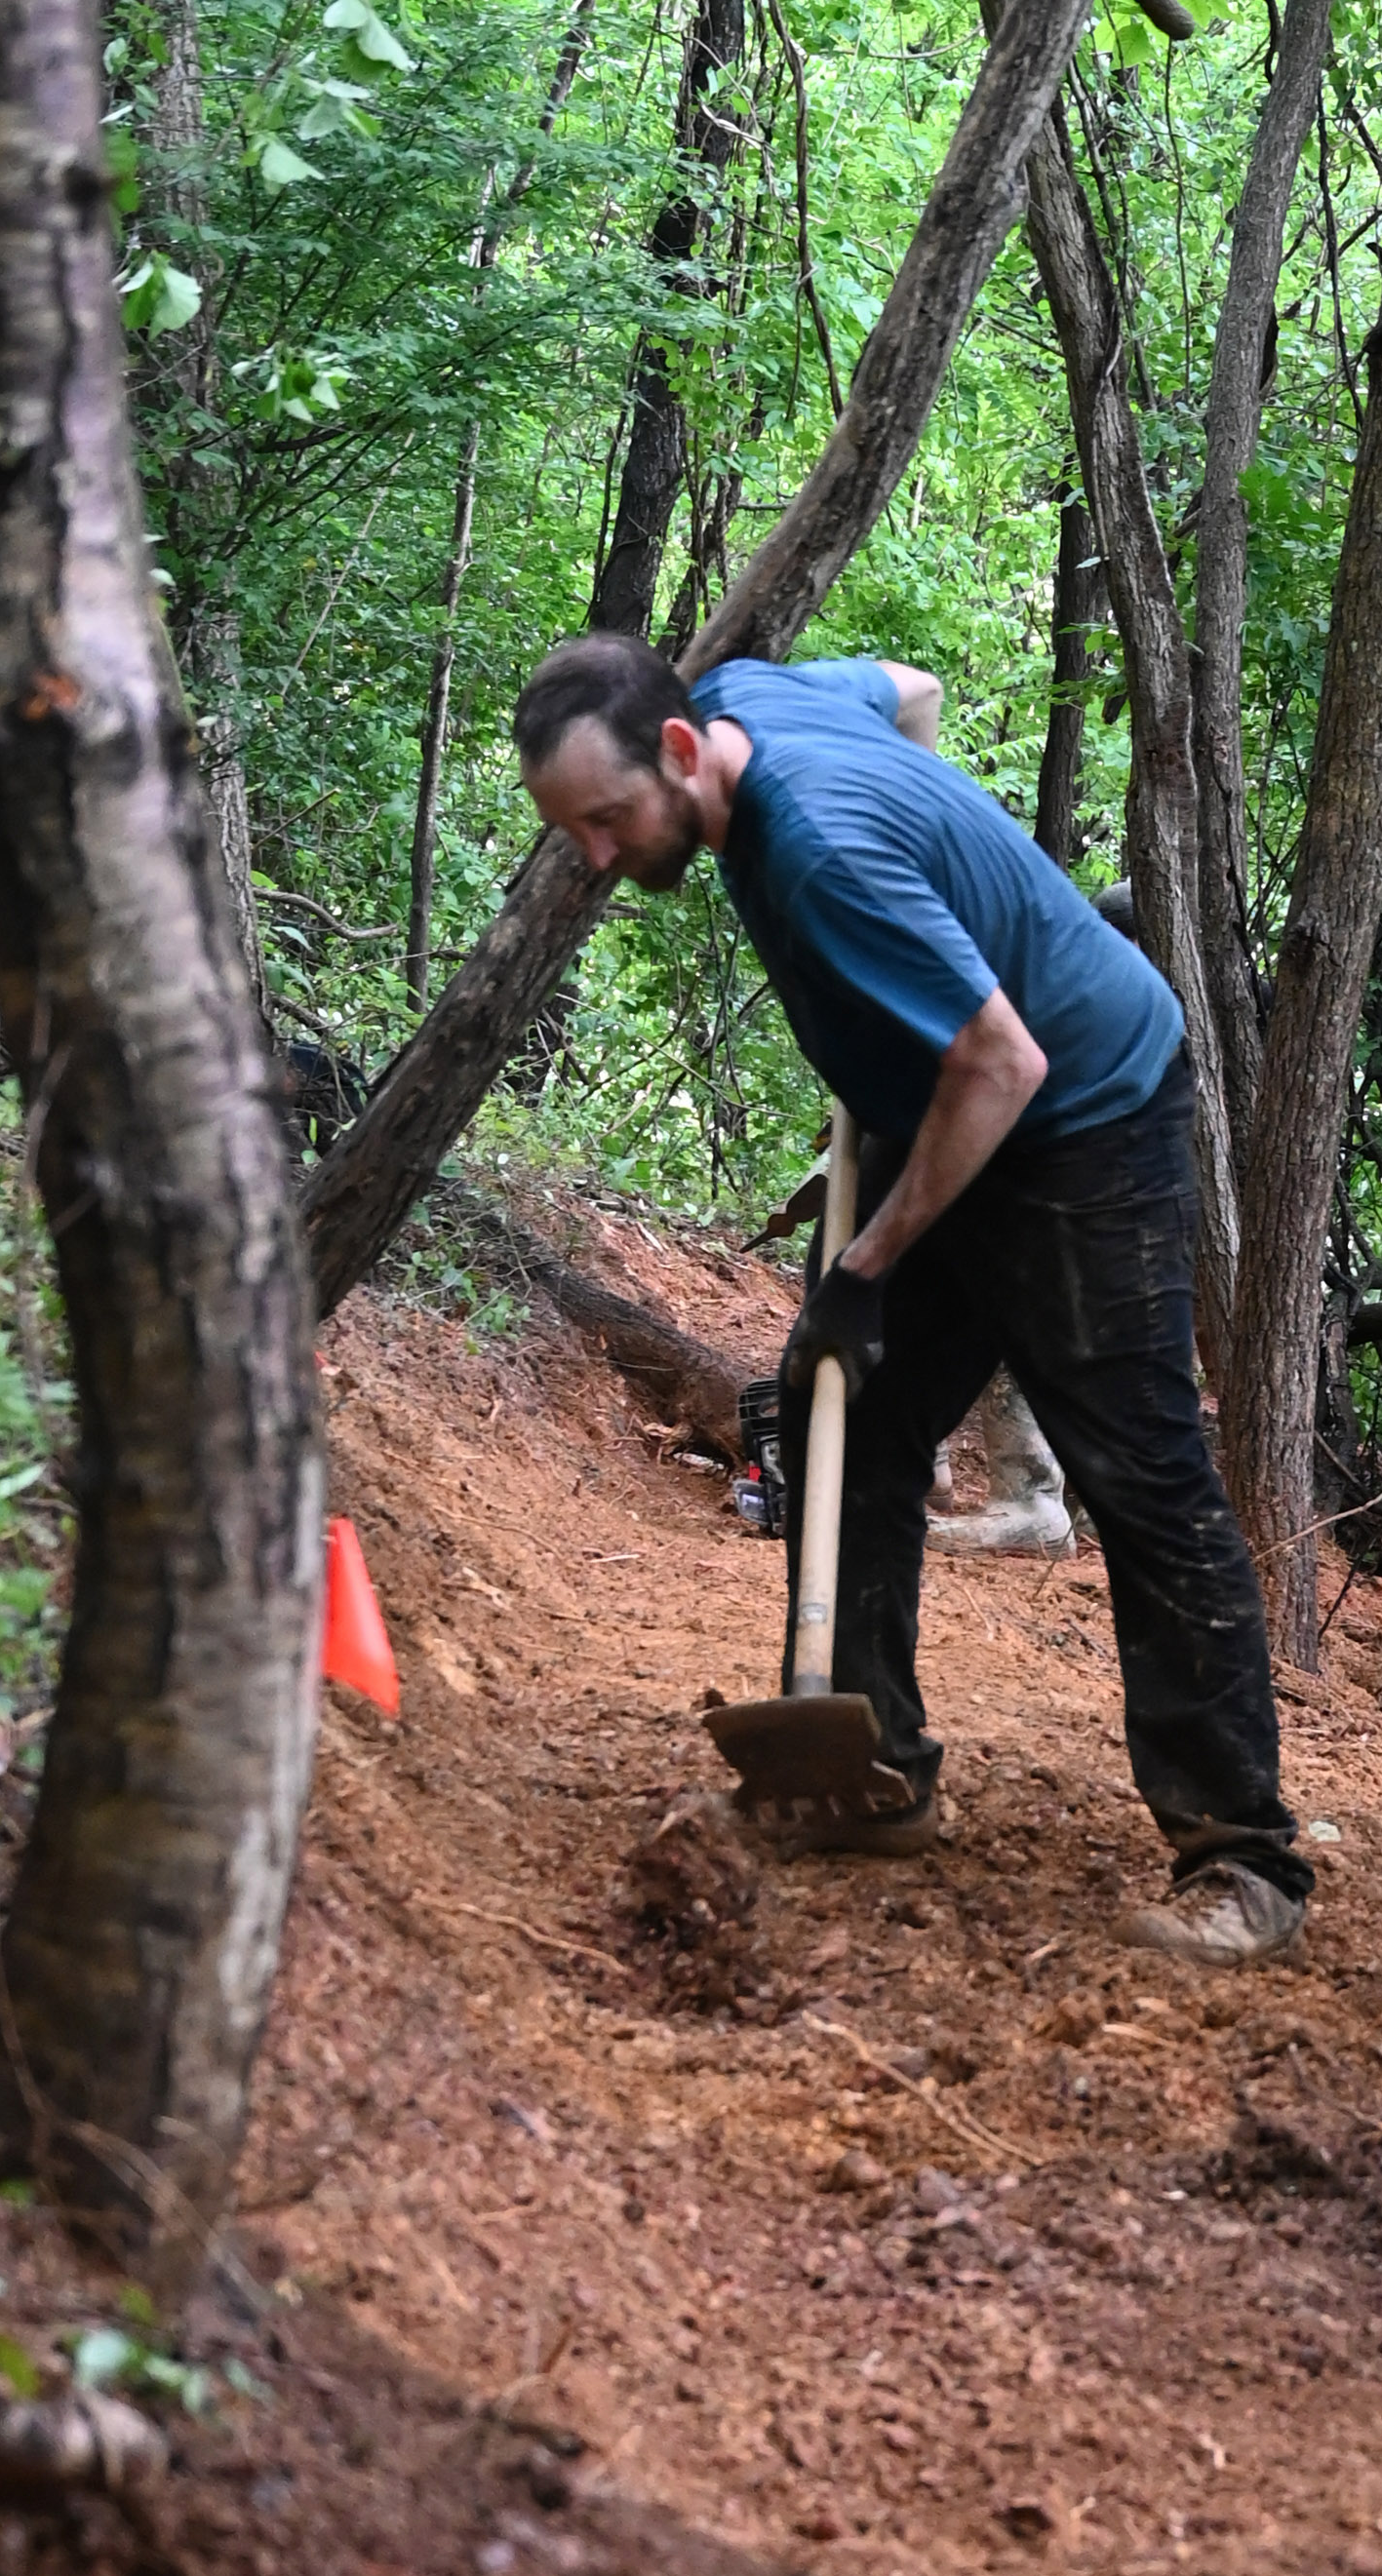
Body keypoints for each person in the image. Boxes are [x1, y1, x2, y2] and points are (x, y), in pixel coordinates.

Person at [513, 630, 1309, 1968]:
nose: (598, 857)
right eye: (575, 835)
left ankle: (1246, 1862)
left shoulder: (818, 853)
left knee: (1144, 1478)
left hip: (1082, 1118)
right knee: (855, 1425)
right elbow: (913, 692)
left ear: (675, 751)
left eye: (606, 820)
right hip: (959, 1109)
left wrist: (868, 1267)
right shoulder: (750, 701)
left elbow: (1001, 1059)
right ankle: (867, 1770)